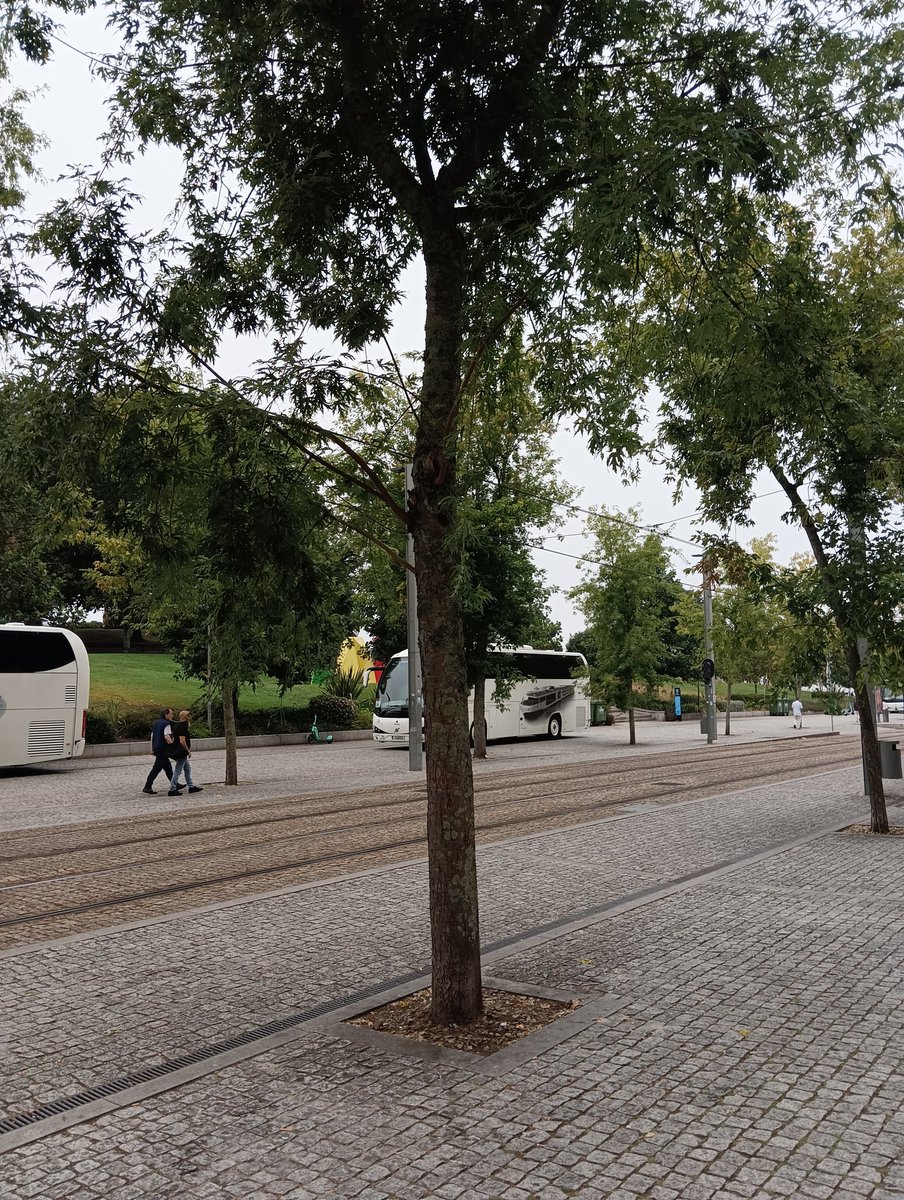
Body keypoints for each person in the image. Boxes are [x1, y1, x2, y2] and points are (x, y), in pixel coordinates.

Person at [169, 709, 203, 796]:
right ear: (185, 717)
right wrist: (188, 751)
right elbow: (182, 740)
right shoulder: (183, 726)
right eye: (189, 716)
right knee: (178, 770)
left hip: (179, 750)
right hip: (182, 751)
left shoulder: (177, 725)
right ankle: (172, 788)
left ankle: (191, 786)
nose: (190, 717)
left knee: (187, 768)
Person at [143, 708, 175, 794]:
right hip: (163, 749)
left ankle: (175, 783)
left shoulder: (157, 722)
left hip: (157, 748)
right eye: (171, 714)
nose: (172, 716)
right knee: (156, 768)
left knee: (168, 768)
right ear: (166, 715)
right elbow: (167, 736)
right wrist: (172, 746)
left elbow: (152, 735)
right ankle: (147, 786)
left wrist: (152, 748)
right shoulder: (166, 724)